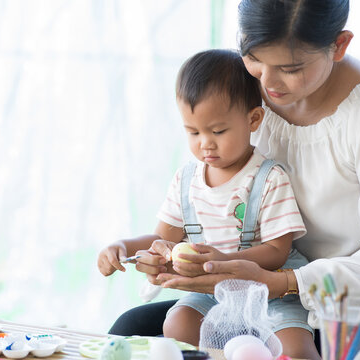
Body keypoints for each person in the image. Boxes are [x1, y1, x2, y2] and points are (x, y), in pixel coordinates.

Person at [108, 0, 360, 359]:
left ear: (340, 45)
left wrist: (280, 283)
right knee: (131, 333)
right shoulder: (245, 89)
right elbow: (222, 199)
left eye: (290, 67)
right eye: (253, 57)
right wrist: (173, 257)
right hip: (262, 284)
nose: (267, 83)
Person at [98, 49, 320, 358]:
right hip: (210, 291)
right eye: (193, 132)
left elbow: (277, 251)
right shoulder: (186, 180)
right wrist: (125, 247)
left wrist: (223, 259)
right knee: (177, 323)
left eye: (218, 131)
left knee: (298, 349)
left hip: (269, 291)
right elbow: (163, 239)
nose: (206, 143)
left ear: (253, 119)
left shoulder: (269, 177)